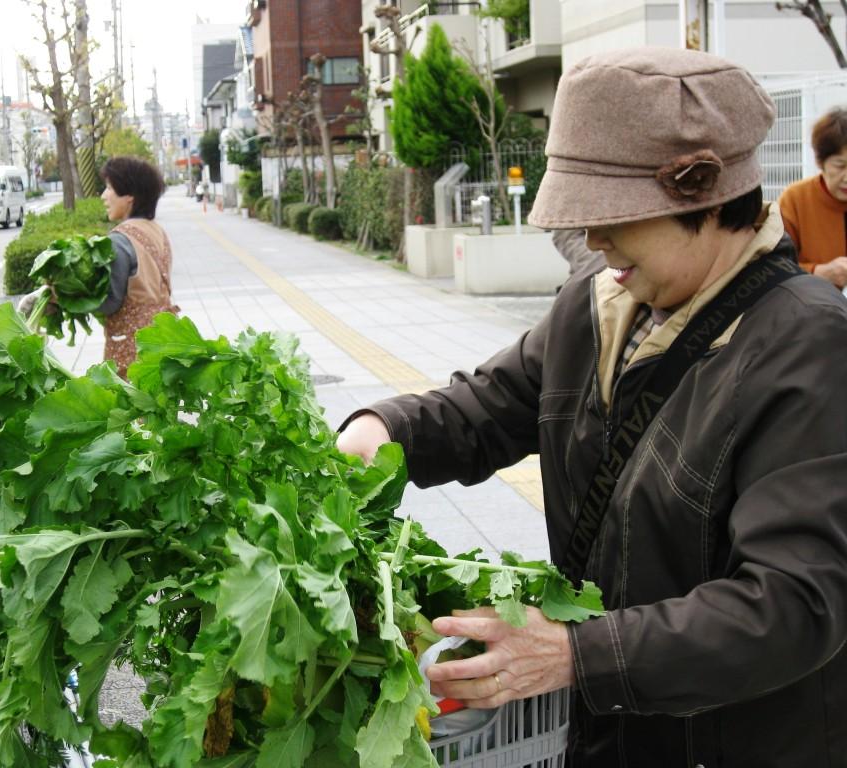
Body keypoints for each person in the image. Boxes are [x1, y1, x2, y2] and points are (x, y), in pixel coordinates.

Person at [338, 48, 847, 767]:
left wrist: (577, 655)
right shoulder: (598, 304)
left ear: (704, 195)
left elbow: (794, 603)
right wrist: (379, 431)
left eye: (613, 215)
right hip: (611, 731)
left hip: (738, 743)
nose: (592, 239)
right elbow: (490, 405)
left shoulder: (807, 343)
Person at [22, 156, 178, 379]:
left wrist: (60, 297)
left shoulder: (120, 240)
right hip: (164, 341)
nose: (104, 196)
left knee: (129, 400)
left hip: (132, 351)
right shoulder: (157, 232)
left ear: (130, 196)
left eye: (109, 188)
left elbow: (110, 303)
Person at [778, 108, 847, 289]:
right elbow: (773, 266)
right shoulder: (795, 199)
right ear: (819, 162)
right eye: (840, 165)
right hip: (812, 302)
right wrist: (817, 272)